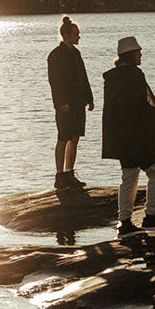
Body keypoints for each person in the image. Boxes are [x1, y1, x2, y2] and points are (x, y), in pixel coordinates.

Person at [102, 35, 155, 236]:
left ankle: (124, 222)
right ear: (130, 55)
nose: (141, 54)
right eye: (138, 51)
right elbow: (140, 107)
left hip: (121, 137)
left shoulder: (112, 78)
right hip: (139, 136)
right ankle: (150, 216)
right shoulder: (135, 75)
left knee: (129, 177)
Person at [47, 15, 93, 190]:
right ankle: (59, 176)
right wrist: (61, 103)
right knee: (63, 138)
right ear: (66, 34)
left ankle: (69, 173)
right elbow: (55, 82)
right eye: (76, 34)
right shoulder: (56, 55)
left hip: (78, 102)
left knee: (75, 138)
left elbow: (83, 77)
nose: (79, 36)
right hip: (65, 105)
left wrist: (89, 98)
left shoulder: (76, 53)